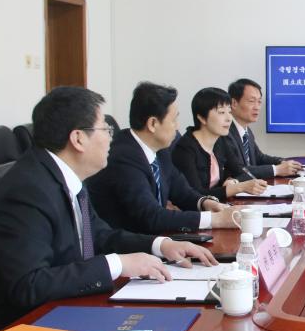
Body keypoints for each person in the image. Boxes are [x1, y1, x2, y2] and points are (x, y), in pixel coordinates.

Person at [0, 87, 218, 331]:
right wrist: (118, 264)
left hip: (55, 314)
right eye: (105, 129)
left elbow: (98, 236)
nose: (111, 138)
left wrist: (161, 245)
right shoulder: (28, 191)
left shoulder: (65, 175)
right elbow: (29, 285)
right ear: (78, 139)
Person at [88, 82, 240, 235]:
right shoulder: (123, 158)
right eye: (173, 120)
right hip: (130, 243)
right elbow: (151, 216)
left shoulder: (160, 150)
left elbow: (182, 192)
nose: (177, 126)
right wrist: (214, 220)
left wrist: (205, 203)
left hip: (155, 238)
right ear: (153, 124)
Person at [172, 87, 267, 201]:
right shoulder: (185, 149)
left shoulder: (220, 141)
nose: (229, 118)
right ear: (202, 118)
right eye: (221, 112)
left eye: (229, 112)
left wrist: (234, 181)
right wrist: (238, 187)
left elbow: (242, 171)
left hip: (219, 205)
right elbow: (195, 195)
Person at [226, 78, 302, 178]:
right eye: (252, 101)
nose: (257, 107)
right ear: (234, 103)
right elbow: (239, 170)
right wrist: (277, 170)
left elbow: (259, 158)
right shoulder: (225, 132)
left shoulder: (246, 131)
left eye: (259, 102)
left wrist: (283, 162)